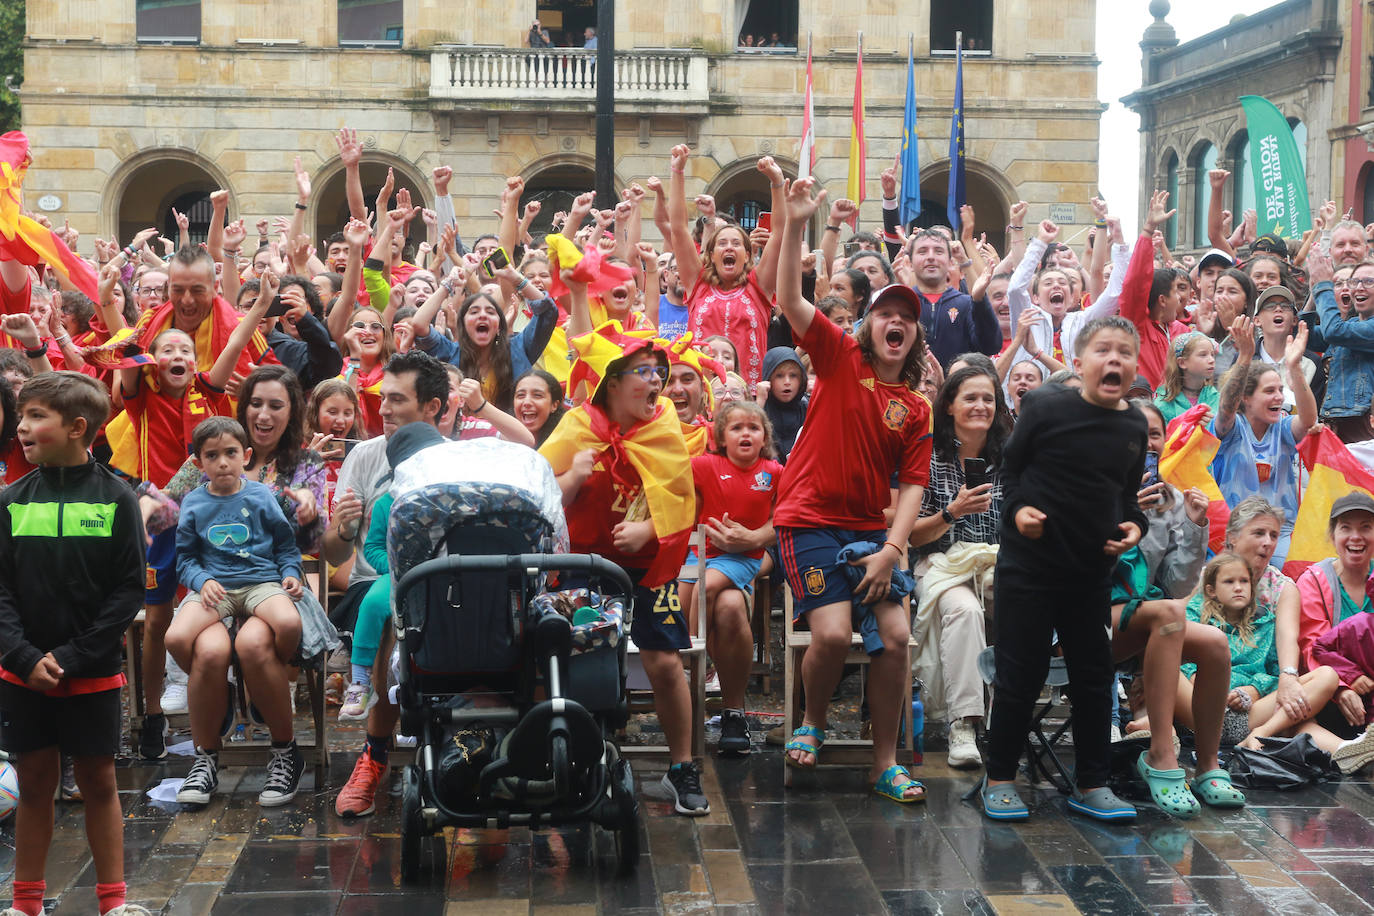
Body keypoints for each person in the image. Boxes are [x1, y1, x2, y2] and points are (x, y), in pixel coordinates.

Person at [773, 179, 931, 804]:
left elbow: (914, 484)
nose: (897, 323)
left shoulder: (916, 407)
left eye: (907, 318)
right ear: (869, 327)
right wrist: (795, 223)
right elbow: (788, 296)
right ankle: (811, 723)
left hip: (872, 533)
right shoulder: (840, 358)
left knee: (895, 637)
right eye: (887, 314)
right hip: (809, 519)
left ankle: (884, 762)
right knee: (833, 635)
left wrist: (893, 549)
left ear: (915, 338)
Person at [978, 315, 1149, 823]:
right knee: (1020, 677)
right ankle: (1000, 778)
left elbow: (1126, 497)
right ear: (1078, 363)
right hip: (1028, 568)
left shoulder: (1134, 424)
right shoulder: (1046, 408)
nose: (1113, 358)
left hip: (1090, 574)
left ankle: (1093, 783)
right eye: (1103, 350)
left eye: (1124, 351)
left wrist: (1134, 526)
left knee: (1095, 679)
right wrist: (1017, 512)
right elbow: (1009, 471)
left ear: (1135, 366)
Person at [540, 321, 705, 815]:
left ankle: (681, 766)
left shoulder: (663, 426)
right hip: (581, 568)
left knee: (664, 660)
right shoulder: (576, 427)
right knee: (574, 656)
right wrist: (572, 475)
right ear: (612, 382)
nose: (657, 382)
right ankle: (575, 759)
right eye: (643, 372)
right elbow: (542, 501)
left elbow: (682, 497)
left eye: (660, 372)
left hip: (648, 568)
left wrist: (650, 531)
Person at [0, 372, 147, 916]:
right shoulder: (10, 500)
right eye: (22, 415)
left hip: (91, 670)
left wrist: (69, 657)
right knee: (35, 783)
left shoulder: (117, 498)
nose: (22, 426)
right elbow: (0, 590)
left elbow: (128, 589)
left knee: (98, 780)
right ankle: (25, 904)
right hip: (21, 671)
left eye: (36, 416)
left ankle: (113, 903)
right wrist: (22, 655)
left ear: (77, 428)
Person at [122, 268, 280, 760]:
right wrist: (114, 303)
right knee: (155, 617)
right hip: (162, 514)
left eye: (185, 351)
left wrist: (256, 309)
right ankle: (150, 715)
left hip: (211, 514)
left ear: (196, 361)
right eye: (166, 350)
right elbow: (126, 351)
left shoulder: (210, 393)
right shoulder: (141, 392)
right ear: (154, 359)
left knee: (213, 605)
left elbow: (233, 343)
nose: (176, 357)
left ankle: (224, 690)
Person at [326, 351, 449, 818]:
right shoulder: (364, 455)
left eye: (397, 400)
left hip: (442, 582)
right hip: (374, 580)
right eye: (381, 399)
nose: (384, 410)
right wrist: (339, 530)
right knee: (391, 617)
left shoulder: (456, 459)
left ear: (432, 407)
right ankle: (374, 756)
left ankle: (464, 747)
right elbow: (337, 555)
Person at [168, 417, 306, 808]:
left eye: (231, 453)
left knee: (287, 622)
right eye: (213, 456)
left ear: (245, 456)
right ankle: (208, 748)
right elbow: (186, 559)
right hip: (217, 589)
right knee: (179, 638)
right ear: (198, 463)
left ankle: (272, 686)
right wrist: (200, 581)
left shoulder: (261, 495)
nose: (224, 462)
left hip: (261, 583)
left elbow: (284, 546)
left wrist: (291, 574)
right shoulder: (194, 502)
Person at [908, 365, 1011, 770]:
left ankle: (1008, 722)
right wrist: (951, 513)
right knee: (964, 610)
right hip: (941, 563)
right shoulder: (930, 458)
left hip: (999, 565)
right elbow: (913, 536)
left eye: (988, 398)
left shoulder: (1010, 459)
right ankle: (963, 725)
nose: (981, 406)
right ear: (949, 405)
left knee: (1019, 602)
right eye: (970, 398)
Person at [678, 401, 781, 755]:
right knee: (687, 596)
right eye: (736, 428)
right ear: (720, 436)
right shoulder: (708, 465)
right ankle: (695, 689)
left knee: (706, 588)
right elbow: (673, 475)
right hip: (701, 553)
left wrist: (755, 537)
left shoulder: (774, 471)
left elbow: (784, 519)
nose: (746, 433)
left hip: (743, 558)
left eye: (754, 427)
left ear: (765, 436)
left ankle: (693, 663)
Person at [1184, 552, 1339, 753]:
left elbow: (1277, 676)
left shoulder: (1266, 624)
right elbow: (1179, 661)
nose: (1238, 587)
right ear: (1211, 590)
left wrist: (1256, 689)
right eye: (1229, 581)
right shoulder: (1194, 615)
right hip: (1201, 711)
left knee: (1327, 675)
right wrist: (1199, 680)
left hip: (1249, 716)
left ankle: (1262, 733)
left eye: (1244, 581)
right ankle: (1344, 749)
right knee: (1298, 726)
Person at [669, 150, 784, 389]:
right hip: (701, 396)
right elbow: (678, 228)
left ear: (747, 254)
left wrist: (776, 183)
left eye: (736, 243)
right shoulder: (698, 283)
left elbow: (780, 234)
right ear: (711, 255)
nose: (729, 247)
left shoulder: (759, 285)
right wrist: (677, 171)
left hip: (747, 398)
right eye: (722, 243)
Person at [1209, 316, 1314, 568]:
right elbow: (1225, 408)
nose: (1279, 396)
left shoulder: (1284, 427)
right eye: (1269, 391)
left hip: (1280, 532)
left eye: (1279, 389)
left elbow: (1308, 420)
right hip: (1235, 534)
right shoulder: (1231, 428)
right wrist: (1245, 356)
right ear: (1245, 397)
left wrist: (1294, 366)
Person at [1295, 492, 1374, 772]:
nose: (1356, 536)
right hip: (1332, 695)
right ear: (1332, 535)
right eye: (1346, 528)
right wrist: (1341, 688)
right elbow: (1311, 646)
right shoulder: (1315, 581)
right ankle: (1349, 753)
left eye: (1366, 527)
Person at [1314, 255, 1374, 443]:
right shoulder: (1349, 326)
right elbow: (1300, 334)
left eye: (1369, 281)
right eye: (1355, 281)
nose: (1359, 287)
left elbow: (1333, 331)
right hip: (1334, 425)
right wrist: (1313, 288)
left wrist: (1323, 285)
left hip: (1363, 427)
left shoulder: (1344, 330)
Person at [1154, 331, 1217, 426]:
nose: (1211, 360)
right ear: (1182, 363)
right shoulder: (1163, 403)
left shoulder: (1215, 397)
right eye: (1203, 355)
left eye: (1212, 354)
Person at [756, 346, 808, 463]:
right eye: (779, 376)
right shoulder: (761, 408)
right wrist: (759, 404)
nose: (787, 382)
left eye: (793, 375)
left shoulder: (807, 409)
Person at [512, 368, 566, 446]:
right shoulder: (498, 439)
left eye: (537, 395)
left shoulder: (566, 442)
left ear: (554, 405)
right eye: (521, 395)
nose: (527, 402)